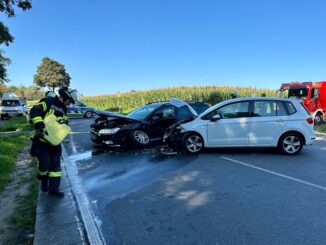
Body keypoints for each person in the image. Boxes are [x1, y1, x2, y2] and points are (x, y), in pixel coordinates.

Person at [30, 87, 78, 197]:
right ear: (64, 96)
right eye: (70, 101)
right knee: (45, 164)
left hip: (55, 141)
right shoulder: (48, 101)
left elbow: (65, 123)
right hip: (42, 140)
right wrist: (39, 125)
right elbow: (35, 111)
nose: (70, 104)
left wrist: (63, 122)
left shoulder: (64, 109)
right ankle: (43, 179)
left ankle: (54, 189)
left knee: (56, 167)